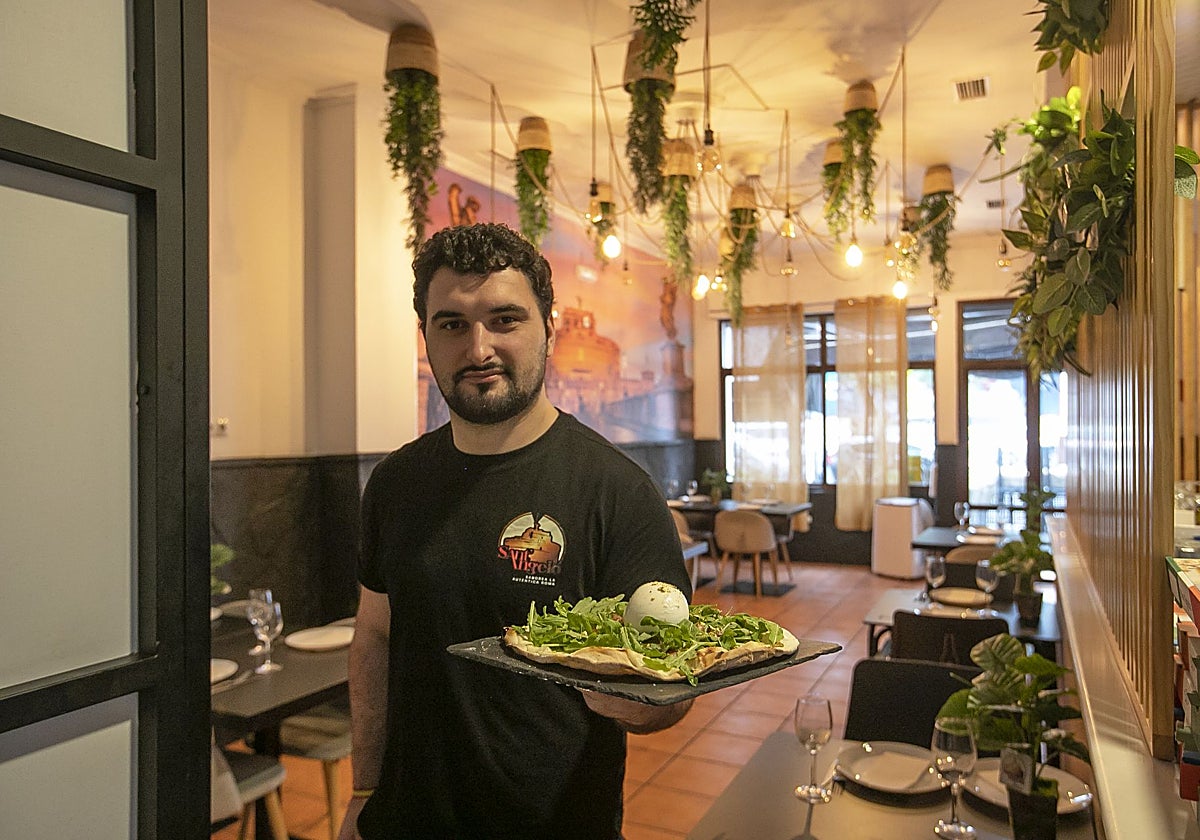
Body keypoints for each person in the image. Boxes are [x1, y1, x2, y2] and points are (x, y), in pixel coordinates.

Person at [339, 223, 694, 840]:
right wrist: (363, 791)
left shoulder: (619, 493)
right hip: (407, 822)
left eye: (505, 320)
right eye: (452, 324)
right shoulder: (394, 484)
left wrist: (644, 701)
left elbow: (673, 690)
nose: (478, 348)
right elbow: (373, 638)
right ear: (426, 336)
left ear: (549, 328)